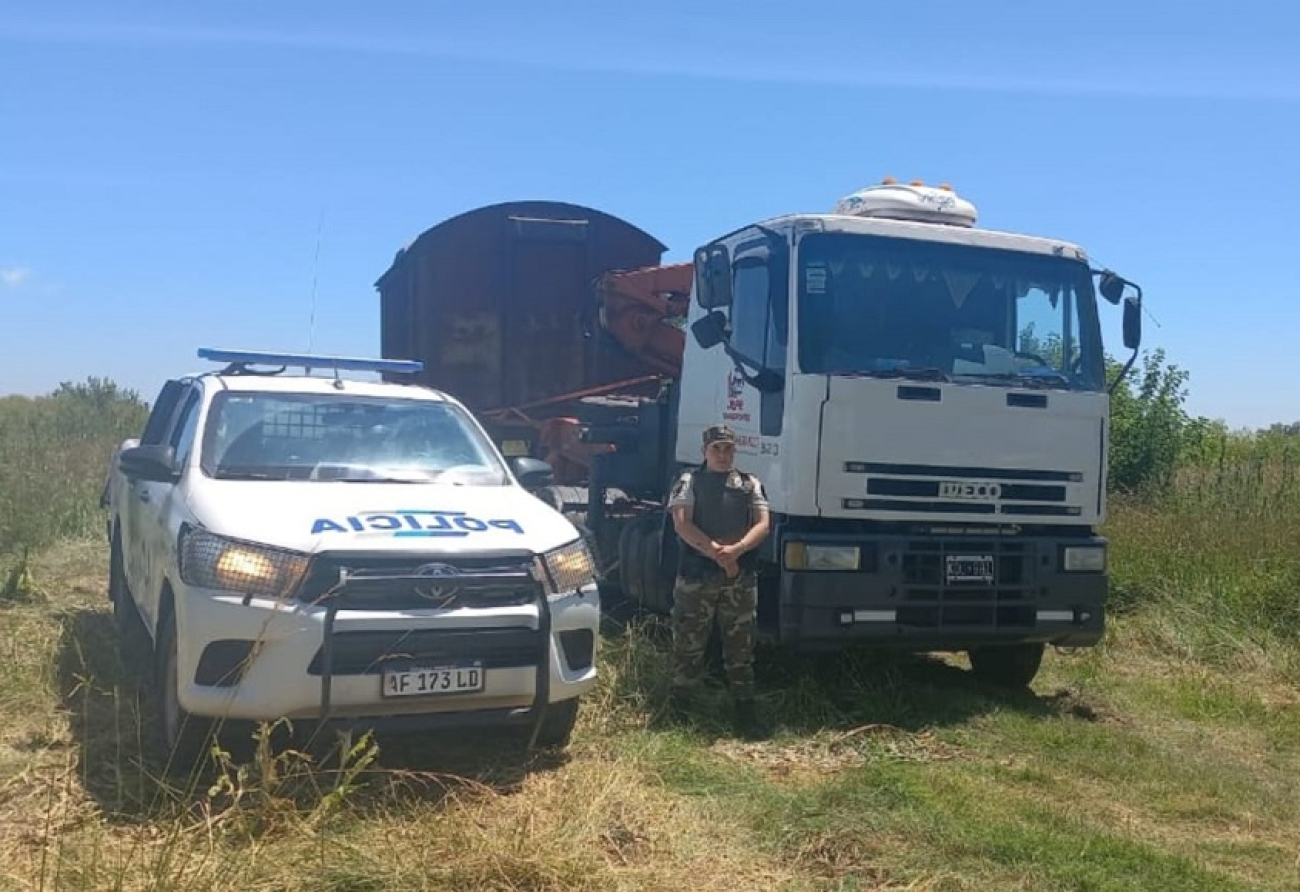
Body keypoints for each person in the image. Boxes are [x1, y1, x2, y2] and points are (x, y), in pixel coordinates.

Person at [666, 423, 772, 738]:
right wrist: (717, 554)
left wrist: (737, 551)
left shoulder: (749, 483)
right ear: (705, 452)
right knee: (688, 644)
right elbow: (682, 524)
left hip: (738, 579)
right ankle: (680, 713)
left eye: (728, 449)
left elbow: (763, 524)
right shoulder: (689, 481)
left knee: (741, 647)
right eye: (717, 449)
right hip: (698, 577)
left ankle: (745, 713)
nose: (723, 455)